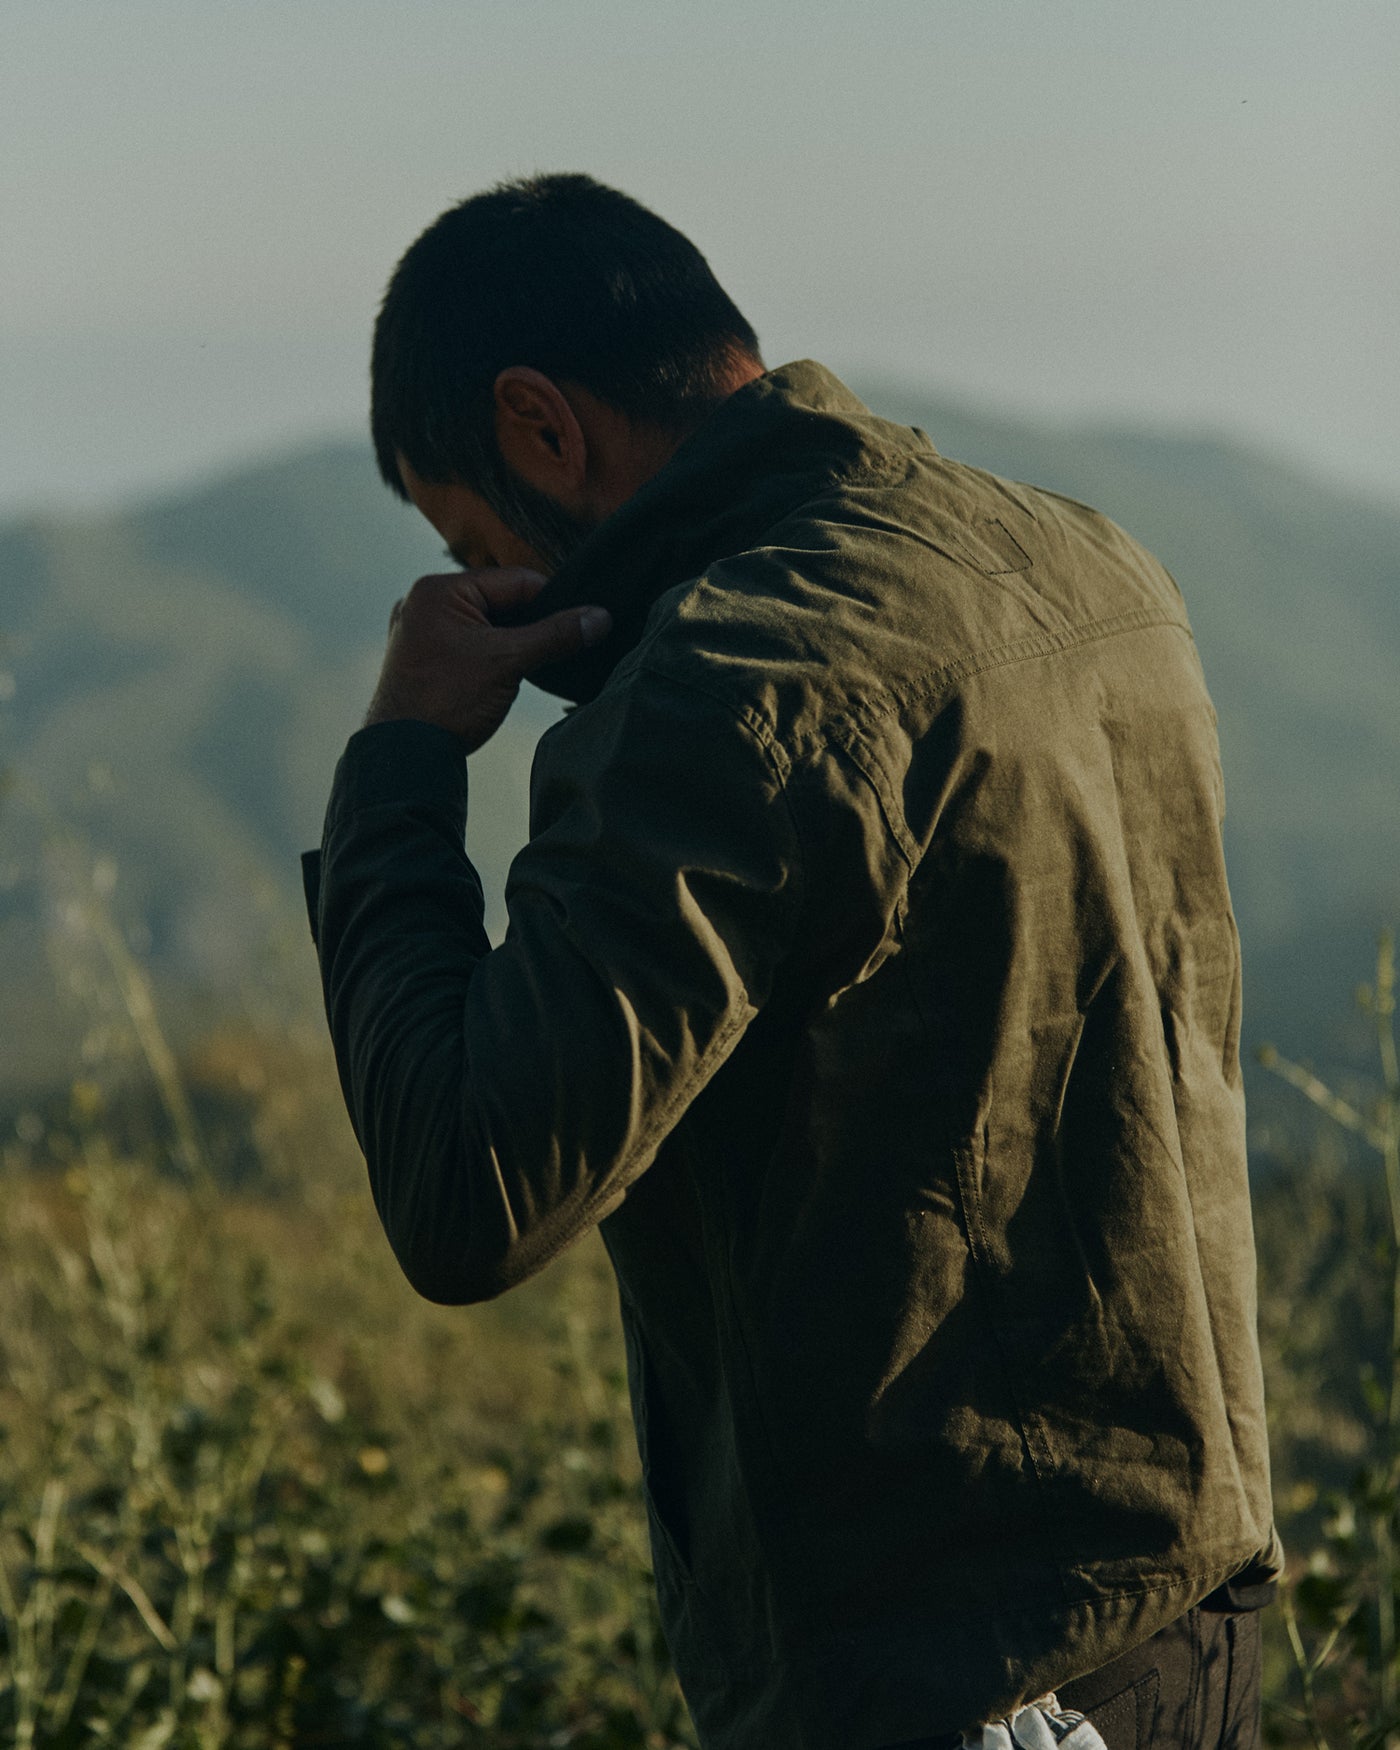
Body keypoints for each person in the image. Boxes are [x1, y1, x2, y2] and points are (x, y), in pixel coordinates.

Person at [302, 173, 1280, 1750]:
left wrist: (403, 763)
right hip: (1188, 1614)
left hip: (951, 1668)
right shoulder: (1097, 569)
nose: (499, 595)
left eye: (478, 541)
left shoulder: (727, 672)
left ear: (541, 425)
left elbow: (465, 1189)